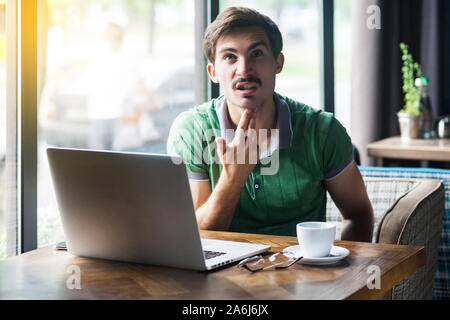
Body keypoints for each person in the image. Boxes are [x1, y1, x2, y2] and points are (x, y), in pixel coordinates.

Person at [167, 7, 374, 241]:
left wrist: (342, 273)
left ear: (278, 62)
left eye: (256, 54)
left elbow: (358, 216)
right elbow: (197, 238)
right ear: (213, 72)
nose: (243, 70)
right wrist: (233, 178)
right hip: (220, 274)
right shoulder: (191, 131)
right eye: (230, 57)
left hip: (305, 273)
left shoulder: (322, 131)